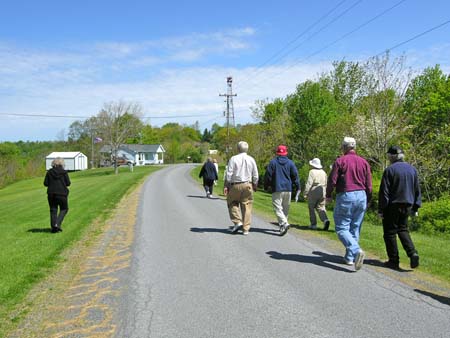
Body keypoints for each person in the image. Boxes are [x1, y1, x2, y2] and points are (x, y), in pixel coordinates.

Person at [326, 137, 372, 271]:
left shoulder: (340, 161)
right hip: (361, 195)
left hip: (347, 195)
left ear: (344, 147)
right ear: (354, 147)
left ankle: (356, 250)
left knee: (341, 228)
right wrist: (368, 199)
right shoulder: (364, 162)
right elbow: (369, 184)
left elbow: (332, 180)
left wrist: (328, 195)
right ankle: (350, 258)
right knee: (355, 227)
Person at [378, 146, 421, 270]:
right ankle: (412, 252)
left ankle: (393, 260)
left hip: (393, 205)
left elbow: (384, 192)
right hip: (408, 204)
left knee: (390, 233)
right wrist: (416, 207)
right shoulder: (412, 169)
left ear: (392, 156)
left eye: (388, 156)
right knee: (403, 229)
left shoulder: (390, 170)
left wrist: (381, 209)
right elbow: (417, 189)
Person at [263, 145, 300, 236]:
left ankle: (284, 223)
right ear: (285, 153)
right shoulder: (291, 163)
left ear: (278, 153)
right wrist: (298, 186)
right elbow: (295, 175)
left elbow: (268, 175)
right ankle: (282, 227)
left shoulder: (273, 162)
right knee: (285, 209)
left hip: (277, 188)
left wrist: (266, 185)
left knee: (277, 208)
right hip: (288, 188)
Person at [224, 141, 259, 235]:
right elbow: (255, 174)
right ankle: (246, 229)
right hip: (248, 184)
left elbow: (229, 174)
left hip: (235, 185)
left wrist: (226, 185)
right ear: (247, 149)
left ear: (238, 149)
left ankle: (237, 221)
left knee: (232, 202)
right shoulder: (251, 159)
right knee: (246, 205)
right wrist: (255, 184)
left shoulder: (233, 159)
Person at [44, 157, 71, 233]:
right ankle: (57, 224)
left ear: (53, 163)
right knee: (64, 209)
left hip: (51, 194)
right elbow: (68, 183)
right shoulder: (64, 172)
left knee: (53, 210)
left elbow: (45, 183)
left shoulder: (49, 172)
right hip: (62, 194)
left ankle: (53, 228)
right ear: (62, 163)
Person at [304, 158, 330, 231]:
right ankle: (325, 220)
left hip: (314, 190)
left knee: (311, 207)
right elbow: (326, 182)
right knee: (321, 207)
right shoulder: (324, 172)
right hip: (323, 190)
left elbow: (309, 183)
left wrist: (306, 193)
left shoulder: (312, 172)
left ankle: (313, 224)